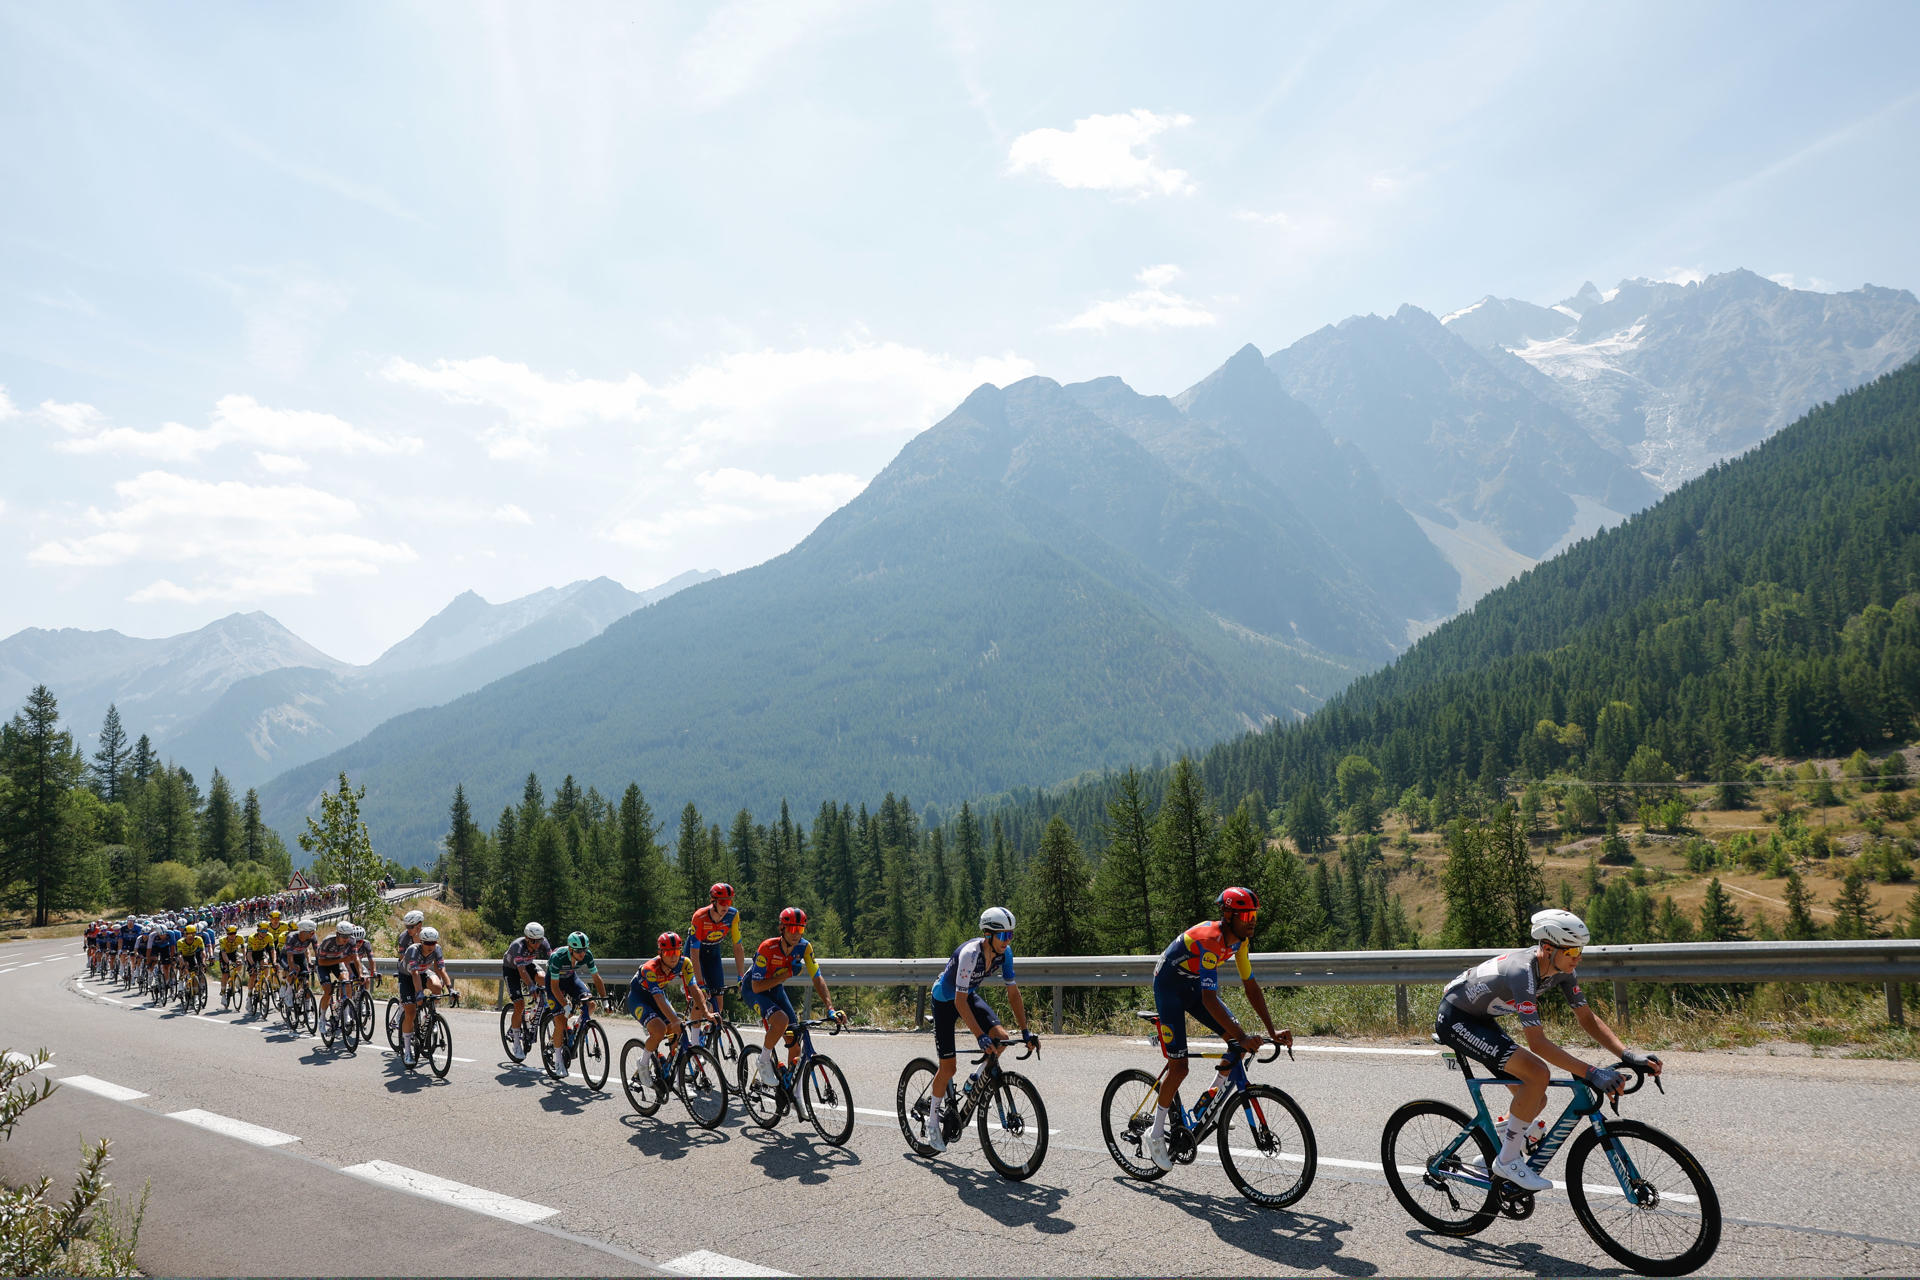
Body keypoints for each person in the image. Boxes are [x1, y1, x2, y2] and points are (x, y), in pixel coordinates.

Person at [1434, 908, 1661, 1191]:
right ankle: (1506, 1162)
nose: (1577, 958)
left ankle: (1502, 1142)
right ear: (1548, 948)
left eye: (1580, 950)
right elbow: (1537, 1043)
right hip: (1457, 1019)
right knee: (1538, 1073)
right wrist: (1591, 1073)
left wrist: (1627, 1055)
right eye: (1571, 951)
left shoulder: (1562, 970)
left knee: (1534, 1098)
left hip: (1482, 1019)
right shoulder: (1522, 972)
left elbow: (1587, 1019)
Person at [1146, 887, 1291, 1171]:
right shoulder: (1212, 940)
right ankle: (1154, 1133)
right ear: (1228, 916)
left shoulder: (1240, 941)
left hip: (1192, 984)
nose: (1252, 921)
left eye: (1254, 915)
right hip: (1169, 987)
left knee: (1236, 1045)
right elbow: (1209, 999)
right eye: (1246, 915)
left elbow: (1250, 986)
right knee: (1180, 1067)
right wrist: (1242, 1035)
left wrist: (1271, 1031)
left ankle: (1206, 1108)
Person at [921, 906, 1038, 1152]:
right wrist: (980, 1036)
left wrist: (1025, 1031)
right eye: (1004, 936)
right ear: (988, 935)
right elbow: (958, 1002)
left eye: (1011, 935)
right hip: (945, 1001)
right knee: (949, 1067)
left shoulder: (1004, 954)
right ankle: (932, 1121)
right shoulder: (970, 954)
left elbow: (1013, 993)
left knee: (1002, 1039)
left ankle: (975, 1079)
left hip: (966, 996)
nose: (1008, 941)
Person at [745, 908, 846, 1091]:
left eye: (800, 930)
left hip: (775, 989)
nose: (796, 934)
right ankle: (763, 1060)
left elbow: (817, 977)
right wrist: (787, 974)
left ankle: (795, 1094)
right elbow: (756, 987)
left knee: (795, 1042)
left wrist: (830, 1008)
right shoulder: (767, 947)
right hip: (754, 989)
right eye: (792, 929)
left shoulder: (804, 947)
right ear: (782, 928)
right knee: (781, 1020)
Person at [624, 931, 711, 1088]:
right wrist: (675, 1020)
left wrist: (706, 1012)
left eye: (676, 951)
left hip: (658, 996)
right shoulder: (650, 968)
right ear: (660, 953)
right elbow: (657, 998)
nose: (673, 956)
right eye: (668, 952)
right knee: (660, 1030)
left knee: (677, 1032)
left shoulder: (685, 963)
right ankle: (643, 1064)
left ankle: (678, 1080)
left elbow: (694, 988)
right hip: (639, 999)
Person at [545, 931, 609, 1076]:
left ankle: (578, 1025)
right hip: (554, 983)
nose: (582, 953)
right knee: (561, 1022)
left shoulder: (587, 955)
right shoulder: (558, 958)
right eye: (579, 951)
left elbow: (597, 978)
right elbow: (554, 987)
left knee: (591, 1004)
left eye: (584, 949)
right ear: (570, 949)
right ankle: (558, 1061)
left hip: (570, 979)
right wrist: (566, 1006)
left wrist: (605, 1001)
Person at [688, 883, 747, 1028]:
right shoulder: (700, 916)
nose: (726, 906)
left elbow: (738, 947)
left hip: (713, 954)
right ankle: (695, 1043)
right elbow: (694, 954)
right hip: (696, 955)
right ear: (713, 901)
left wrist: (741, 976)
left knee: (718, 1005)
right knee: (699, 1000)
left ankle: (706, 1035)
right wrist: (700, 984)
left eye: (729, 902)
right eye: (722, 902)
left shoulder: (733, 915)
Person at [397, 926, 455, 1066]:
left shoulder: (437, 949)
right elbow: (414, 974)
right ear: (421, 942)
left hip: (423, 973)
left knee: (437, 987)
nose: (431, 946)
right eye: (428, 943)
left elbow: (441, 969)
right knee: (410, 1013)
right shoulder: (413, 950)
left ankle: (429, 1016)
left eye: (433, 943)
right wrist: (419, 993)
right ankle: (407, 1051)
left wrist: (451, 988)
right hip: (407, 976)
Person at [502, 922, 551, 1056]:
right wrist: (531, 986)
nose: (537, 944)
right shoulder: (517, 946)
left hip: (528, 964)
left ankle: (535, 1011)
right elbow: (522, 971)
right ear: (527, 938)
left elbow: (552, 960)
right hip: (512, 970)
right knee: (520, 1005)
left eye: (539, 941)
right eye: (534, 941)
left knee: (544, 978)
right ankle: (516, 1043)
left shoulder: (543, 942)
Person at [315, 922, 360, 1033]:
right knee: (328, 990)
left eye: (348, 936)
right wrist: (341, 960)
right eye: (344, 936)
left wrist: (360, 974)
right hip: (323, 964)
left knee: (347, 981)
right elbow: (321, 961)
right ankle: (322, 1019)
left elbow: (355, 957)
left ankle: (346, 1013)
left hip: (337, 962)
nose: (346, 939)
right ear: (337, 934)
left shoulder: (352, 940)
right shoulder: (328, 942)